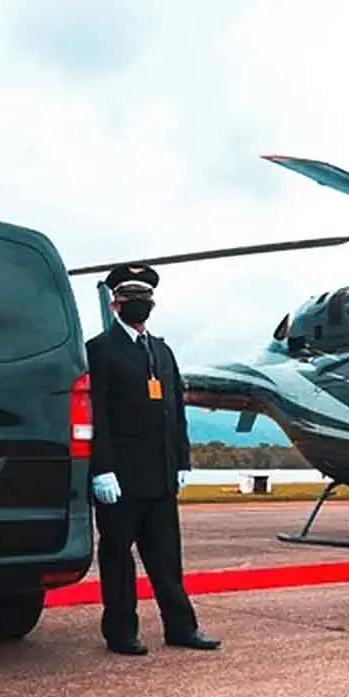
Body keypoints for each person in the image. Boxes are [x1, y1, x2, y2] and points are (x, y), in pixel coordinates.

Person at [86, 263, 220, 655]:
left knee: (166, 559)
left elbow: (175, 411)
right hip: (121, 478)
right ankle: (121, 631)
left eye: (145, 299)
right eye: (131, 300)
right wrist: (102, 468)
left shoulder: (162, 351)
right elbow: (98, 416)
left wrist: (182, 462)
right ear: (115, 305)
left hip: (160, 474)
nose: (139, 305)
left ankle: (180, 627)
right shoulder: (100, 350)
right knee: (117, 558)